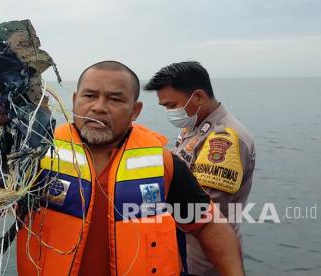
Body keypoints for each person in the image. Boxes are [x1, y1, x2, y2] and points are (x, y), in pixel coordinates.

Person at [15, 60, 245, 275]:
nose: (99, 107)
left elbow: (208, 225)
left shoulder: (164, 164)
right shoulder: (34, 153)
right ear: (75, 100)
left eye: (115, 99)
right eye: (89, 96)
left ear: (135, 110)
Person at [145, 61, 256, 275]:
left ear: (197, 97)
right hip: (182, 249)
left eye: (171, 105)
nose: (169, 112)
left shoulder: (225, 139)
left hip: (202, 260)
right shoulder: (195, 126)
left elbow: (202, 208)